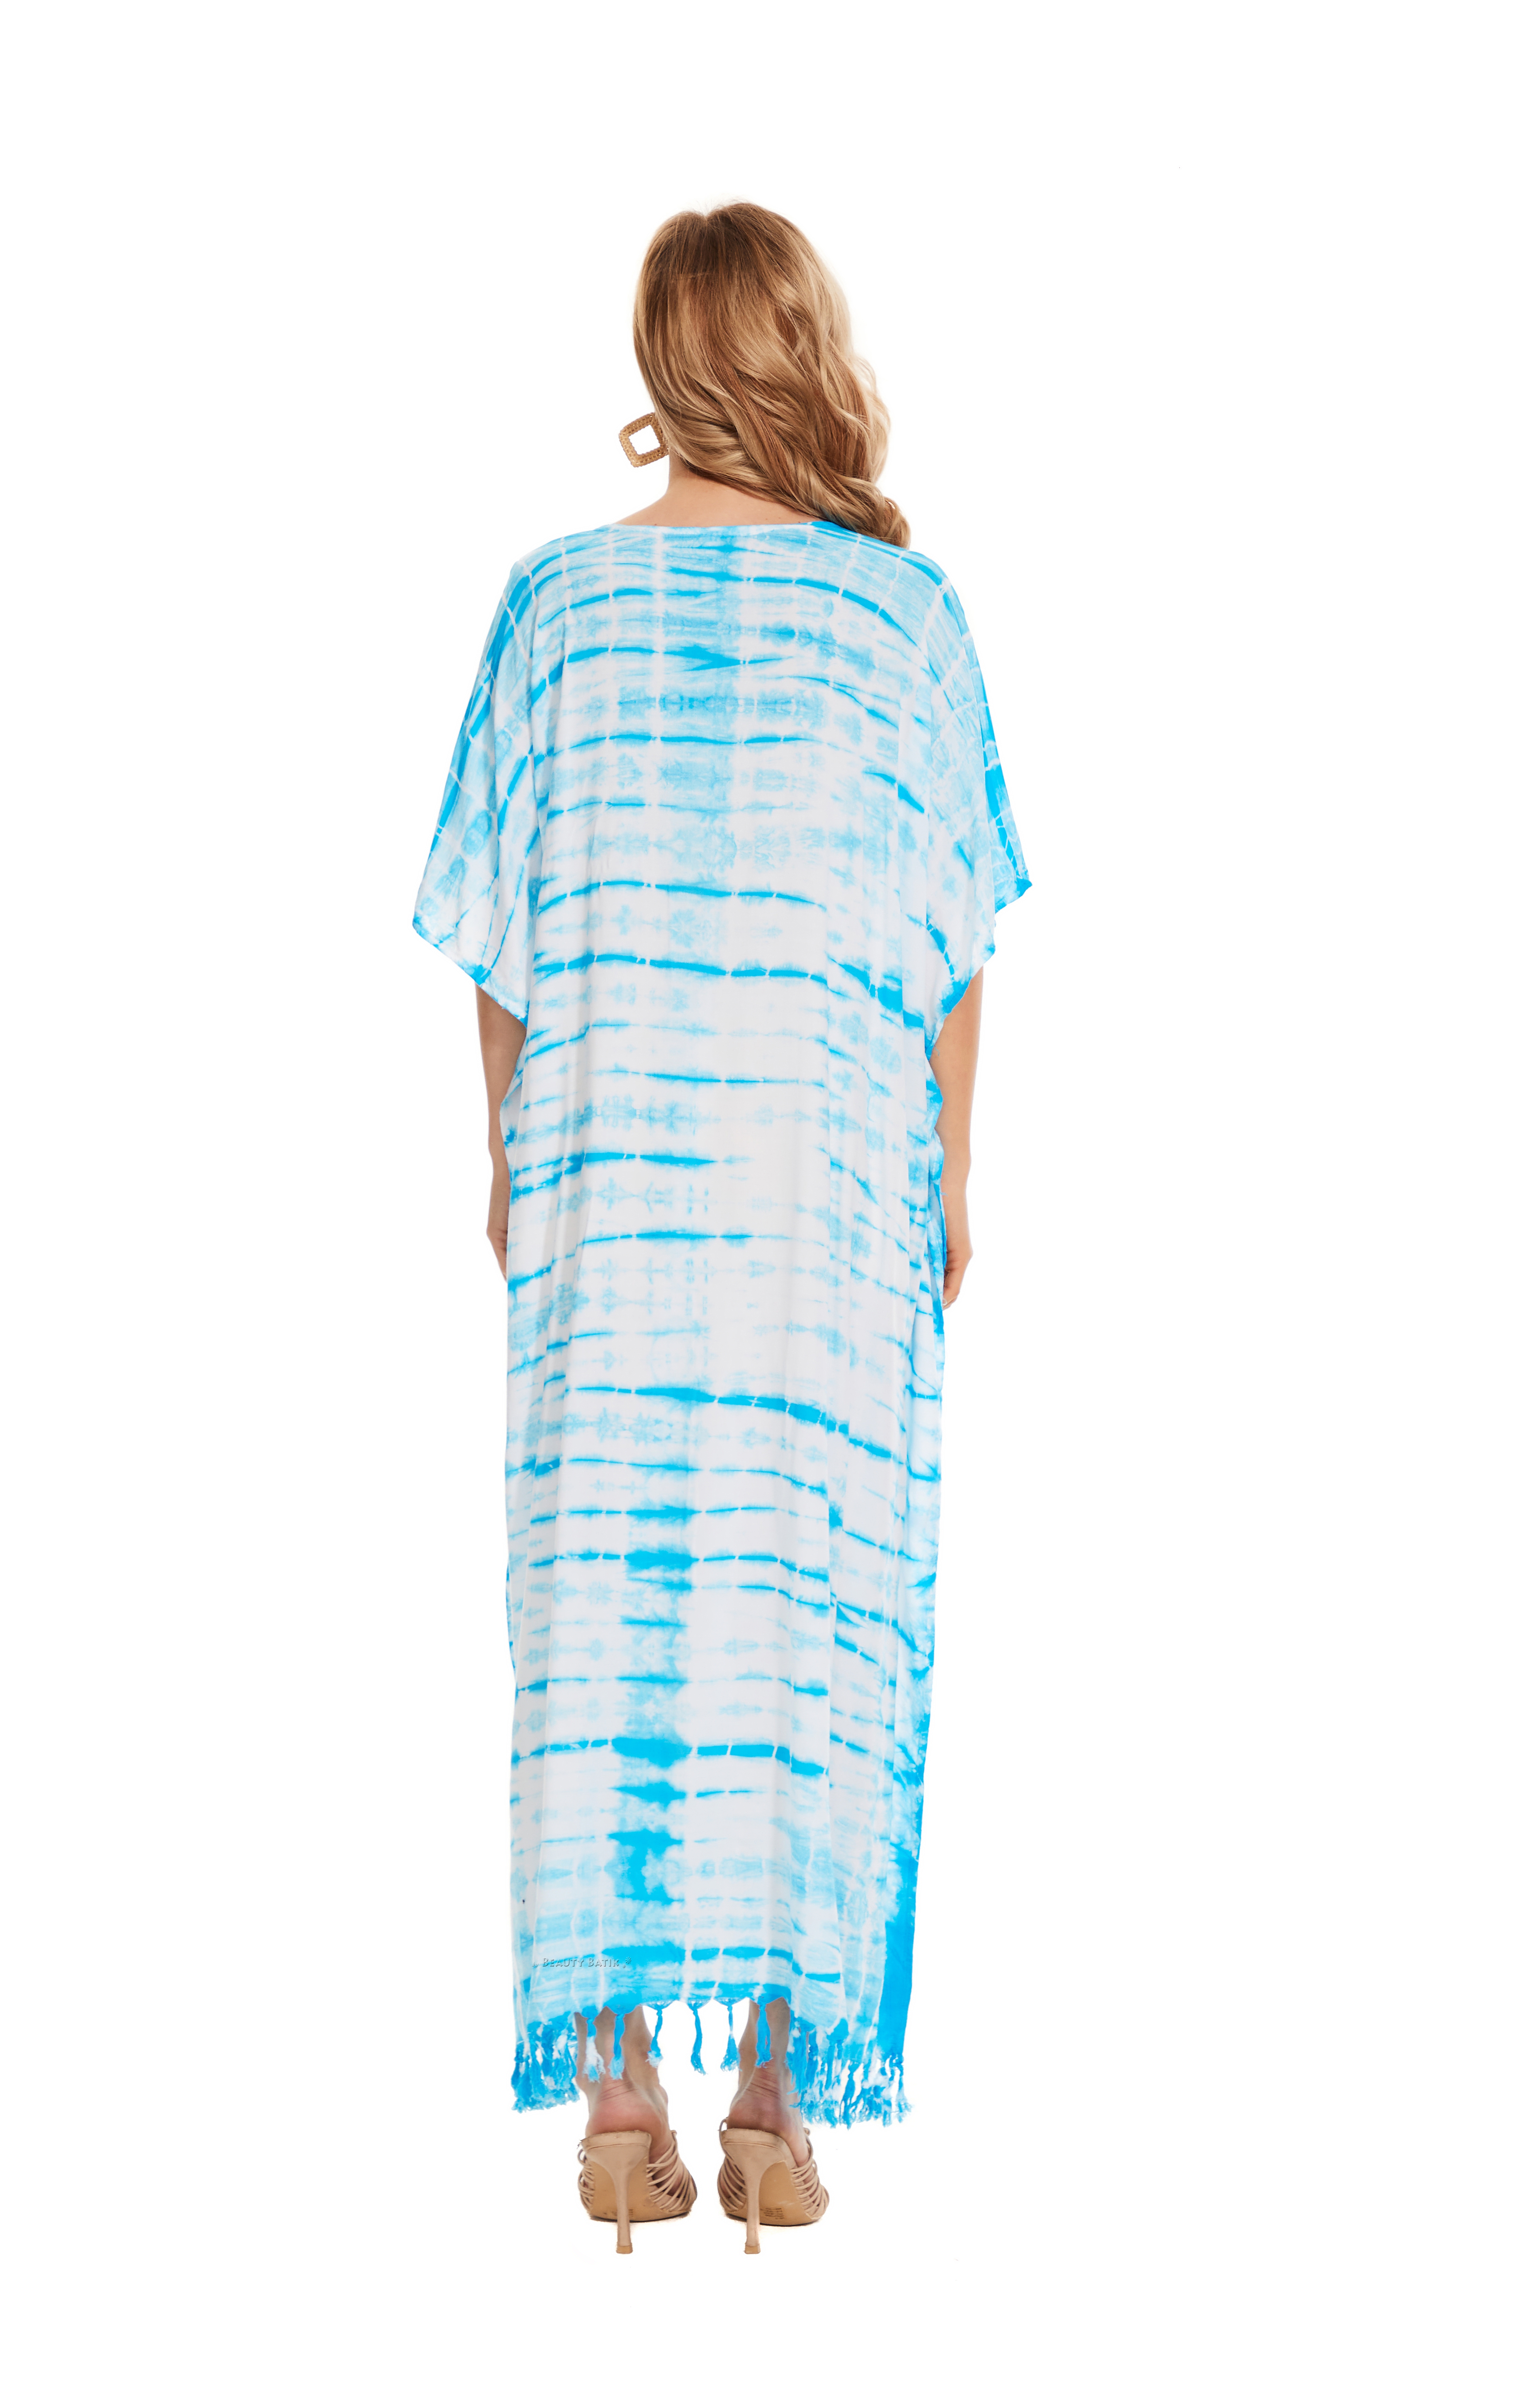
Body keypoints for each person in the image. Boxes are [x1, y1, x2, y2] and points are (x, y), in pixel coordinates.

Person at [413, 202, 1029, 2252]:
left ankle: (616, 2109)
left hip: (614, 1191)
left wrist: (514, 1161)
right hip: (827, 1197)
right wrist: (950, 1177)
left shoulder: (556, 609)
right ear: (800, 347)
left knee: (600, 1602)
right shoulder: (902, 617)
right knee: (804, 1599)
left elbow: (498, 932)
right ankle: (771, 2102)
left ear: (661, 355)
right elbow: (954, 939)